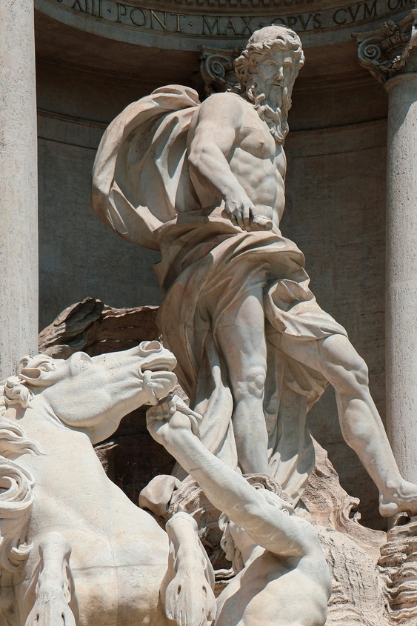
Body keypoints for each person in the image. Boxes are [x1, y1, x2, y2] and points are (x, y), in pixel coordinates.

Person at [92, 25, 417, 516]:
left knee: (350, 366)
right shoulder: (226, 104)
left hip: (274, 260)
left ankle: (391, 488)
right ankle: (259, 490)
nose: (281, 76)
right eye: (271, 65)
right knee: (249, 379)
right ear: (247, 71)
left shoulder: (275, 135)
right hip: (229, 255)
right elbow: (204, 153)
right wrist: (233, 193)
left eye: (289, 68)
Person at [146, 395, 332, 626]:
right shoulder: (222, 600)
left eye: (262, 497)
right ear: (227, 539)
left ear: (283, 513)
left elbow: (248, 509)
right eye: (230, 517)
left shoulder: (304, 550)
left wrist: (178, 439)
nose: (251, 501)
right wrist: (183, 534)